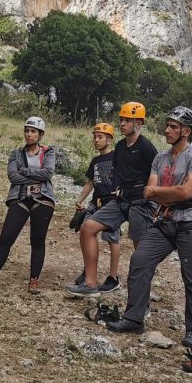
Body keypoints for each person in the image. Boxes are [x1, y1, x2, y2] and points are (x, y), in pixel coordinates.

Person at [103, 107, 192, 348]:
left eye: (174, 126)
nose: (168, 130)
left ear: (186, 131)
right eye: (168, 125)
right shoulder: (160, 158)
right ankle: (134, 318)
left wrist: (165, 193)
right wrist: (170, 193)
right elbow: (149, 191)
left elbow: (186, 191)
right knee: (140, 259)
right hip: (165, 220)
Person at [67, 102, 157, 297]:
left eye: (127, 120)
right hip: (121, 200)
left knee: (140, 248)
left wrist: (153, 198)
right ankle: (90, 284)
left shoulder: (146, 147)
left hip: (141, 203)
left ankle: (142, 297)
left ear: (139, 123)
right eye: (122, 120)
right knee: (88, 227)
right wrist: (117, 189)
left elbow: (156, 172)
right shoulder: (120, 147)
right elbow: (117, 171)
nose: (123, 124)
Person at [0, 117, 56, 294]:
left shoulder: (49, 152)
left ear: (40, 134)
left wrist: (25, 171)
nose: (29, 134)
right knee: (6, 237)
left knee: (37, 240)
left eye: (33, 131)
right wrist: (37, 176)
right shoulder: (16, 153)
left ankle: (34, 280)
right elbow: (12, 177)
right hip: (19, 198)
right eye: (27, 130)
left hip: (43, 198)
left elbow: (48, 172)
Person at [71, 123, 122, 292]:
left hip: (112, 202)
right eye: (94, 137)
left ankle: (113, 277)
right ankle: (88, 272)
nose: (96, 140)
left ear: (109, 139)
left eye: (100, 137)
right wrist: (80, 200)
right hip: (96, 202)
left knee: (112, 239)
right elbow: (90, 182)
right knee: (85, 232)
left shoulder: (117, 157)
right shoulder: (95, 161)